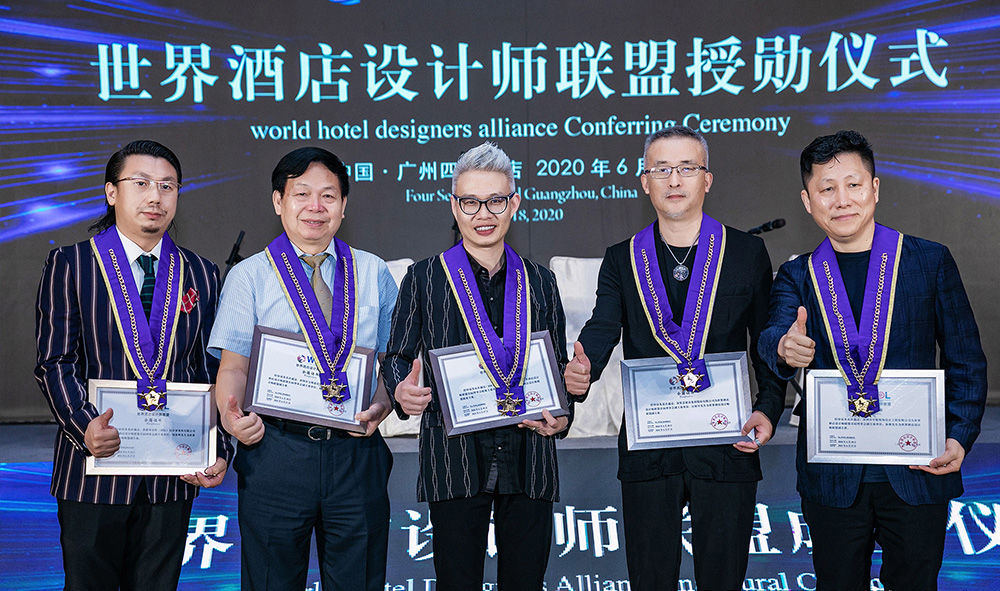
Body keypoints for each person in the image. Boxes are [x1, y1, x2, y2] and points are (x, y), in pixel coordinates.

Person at [758, 130, 987, 591]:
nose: (841, 200)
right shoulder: (798, 274)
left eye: (853, 184)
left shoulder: (928, 261)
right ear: (807, 201)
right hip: (833, 473)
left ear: (875, 189)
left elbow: (965, 359)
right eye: (827, 188)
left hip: (918, 466)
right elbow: (772, 336)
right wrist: (784, 347)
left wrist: (959, 435)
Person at [563, 126, 786, 591]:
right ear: (645, 182)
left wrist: (768, 406)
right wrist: (583, 370)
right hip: (651, 445)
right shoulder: (622, 258)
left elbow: (763, 341)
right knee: (650, 579)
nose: (675, 179)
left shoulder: (746, 253)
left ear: (708, 179)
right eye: (662, 169)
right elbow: (602, 328)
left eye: (687, 167)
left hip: (727, 441)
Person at [34, 140, 233, 591]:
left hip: (172, 474)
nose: (155, 197)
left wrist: (216, 448)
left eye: (167, 186)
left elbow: (211, 369)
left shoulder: (201, 273)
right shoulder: (72, 264)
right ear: (112, 192)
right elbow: (54, 361)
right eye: (140, 183)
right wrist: (84, 426)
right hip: (93, 469)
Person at [383, 142, 573, 591]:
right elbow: (396, 357)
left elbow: (557, 367)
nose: (483, 214)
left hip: (529, 458)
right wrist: (401, 390)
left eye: (495, 201)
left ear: (514, 204)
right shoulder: (425, 278)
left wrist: (563, 414)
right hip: (454, 461)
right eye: (470, 202)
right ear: (455, 206)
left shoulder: (541, 281)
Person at [208, 146, 397, 591]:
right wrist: (232, 418)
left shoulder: (373, 272)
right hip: (276, 452)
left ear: (343, 205)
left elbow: (393, 363)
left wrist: (382, 404)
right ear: (279, 201)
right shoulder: (249, 276)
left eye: (328, 196)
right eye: (302, 194)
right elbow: (233, 367)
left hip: (356, 454)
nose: (316, 207)